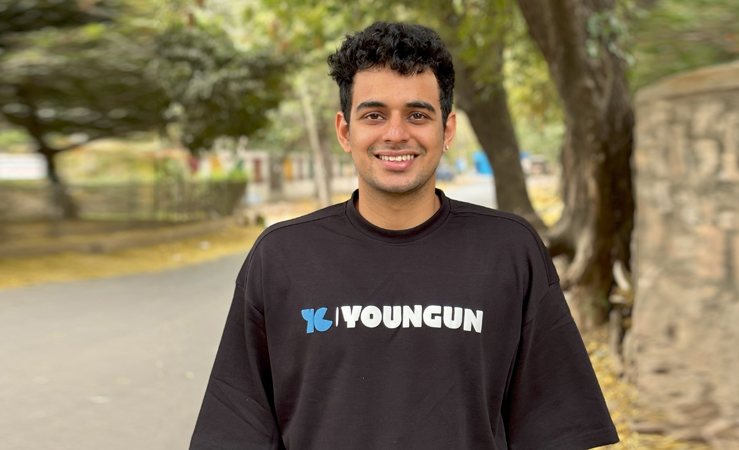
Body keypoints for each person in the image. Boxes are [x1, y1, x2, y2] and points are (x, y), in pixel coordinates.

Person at [189, 22, 619, 450]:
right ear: (345, 131)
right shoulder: (282, 256)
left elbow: (556, 431)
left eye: (417, 115)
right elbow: (235, 431)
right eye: (374, 115)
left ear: (447, 130)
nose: (396, 134)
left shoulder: (510, 251)